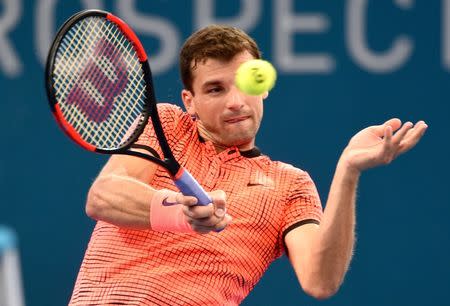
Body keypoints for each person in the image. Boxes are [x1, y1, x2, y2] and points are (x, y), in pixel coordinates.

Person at [69, 25, 427, 305]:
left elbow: (320, 280)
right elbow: (103, 197)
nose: (236, 101)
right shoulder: (166, 124)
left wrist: (348, 170)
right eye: (215, 89)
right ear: (188, 101)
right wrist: (182, 212)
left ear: (263, 86)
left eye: (245, 83)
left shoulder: (290, 185)